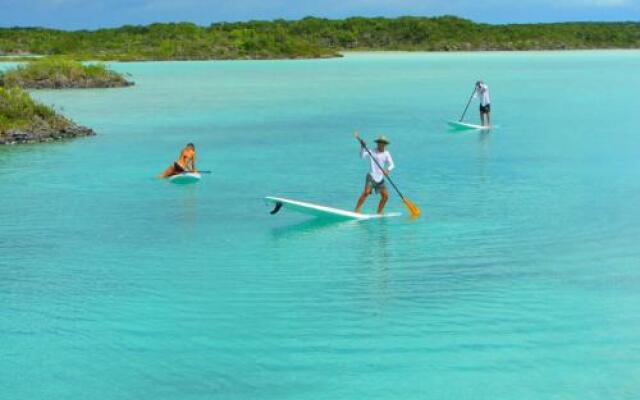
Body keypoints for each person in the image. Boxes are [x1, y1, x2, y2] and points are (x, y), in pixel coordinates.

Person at [354, 132, 394, 214]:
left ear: (385, 144)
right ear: (377, 143)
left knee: (385, 196)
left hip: (380, 179)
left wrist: (387, 170)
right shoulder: (371, 151)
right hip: (371, 176)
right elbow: (361, 156)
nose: (380, 145)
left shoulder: (387, 153)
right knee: (366, 193)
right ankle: (357, 210)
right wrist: (362, 147)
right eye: (379, 143)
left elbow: (392, 165)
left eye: (382, 143)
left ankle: (379, 212)